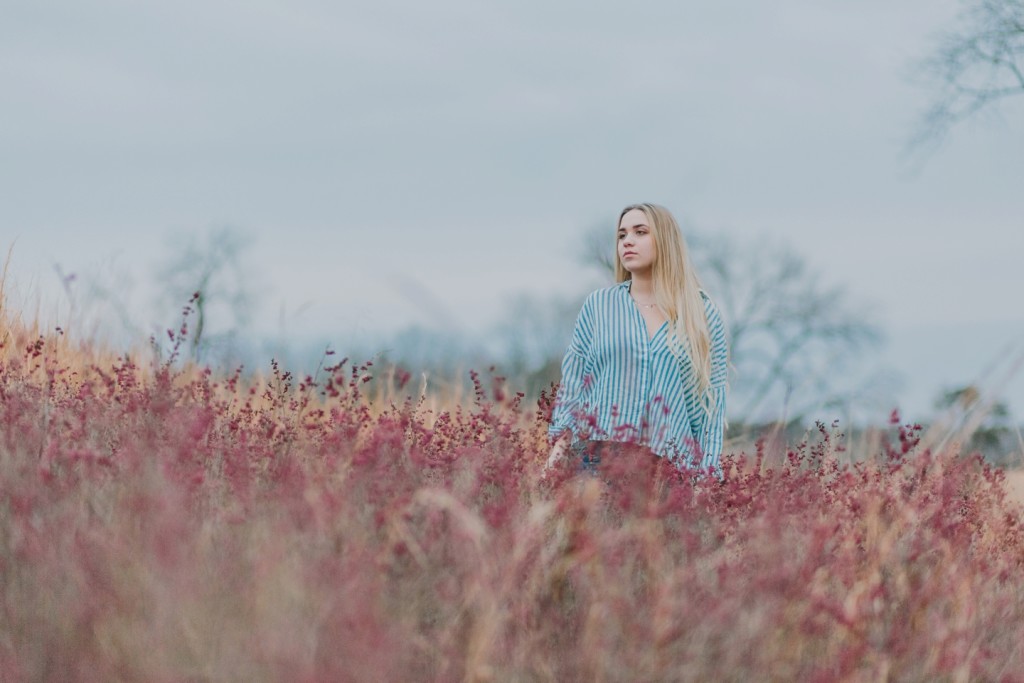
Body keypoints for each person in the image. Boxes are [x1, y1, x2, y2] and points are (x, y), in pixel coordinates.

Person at [546, 203, 728, 475]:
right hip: (595, 462)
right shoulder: (599, 305)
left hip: (667, 470)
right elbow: (573, 386)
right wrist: (557, 454)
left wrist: (706, 479)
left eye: (640, 232)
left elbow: (711, 408)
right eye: (622, 235)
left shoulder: (700, 314)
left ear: (665, 241)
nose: (627, 241)